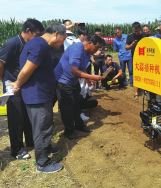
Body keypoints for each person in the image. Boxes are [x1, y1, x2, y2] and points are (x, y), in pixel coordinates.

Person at [8, 23, 66, 173]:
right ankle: (43, 162)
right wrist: (18, 83)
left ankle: (47, 148)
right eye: (62, 40)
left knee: (44, 126)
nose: (62, 44)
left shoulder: (37, 43)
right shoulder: (40, 45)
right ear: (56, 34)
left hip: (40, 93)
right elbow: (27, 70)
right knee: (42, 129)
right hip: (38, 95)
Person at [0, 19, 44, 160]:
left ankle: (30, 141)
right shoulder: (13, 43)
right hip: (13, 86)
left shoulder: (30, 44)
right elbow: (0, 63)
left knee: (27, 115)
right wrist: (4, 80)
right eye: (37, 34)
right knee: (16, 118)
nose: (38, 38)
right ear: (28, 31)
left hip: (24, 85)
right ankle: (17, 149)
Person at [54, 34, 104, 140]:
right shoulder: (77, 49)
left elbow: (81, 68)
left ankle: (79, 125)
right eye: (96, 47)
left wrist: (88, 79)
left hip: (73, 81)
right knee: (67, 107)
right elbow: (74, 70)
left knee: (77, 103)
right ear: (90, 43)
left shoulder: (87, 53)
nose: (97, 50)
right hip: (63, 80)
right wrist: (92, 76)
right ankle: (69, 131)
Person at [126, 22, 147, 100]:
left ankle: (145, 91)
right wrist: (132, 45)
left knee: (145, 75)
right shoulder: (130, 36)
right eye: (135, 31)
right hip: (135, 59)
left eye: (138, 31)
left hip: (145, 59)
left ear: (140, 28)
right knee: (136, 76)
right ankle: (136, 93)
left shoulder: (144, 35)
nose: (136, 33)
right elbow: (126, 47)